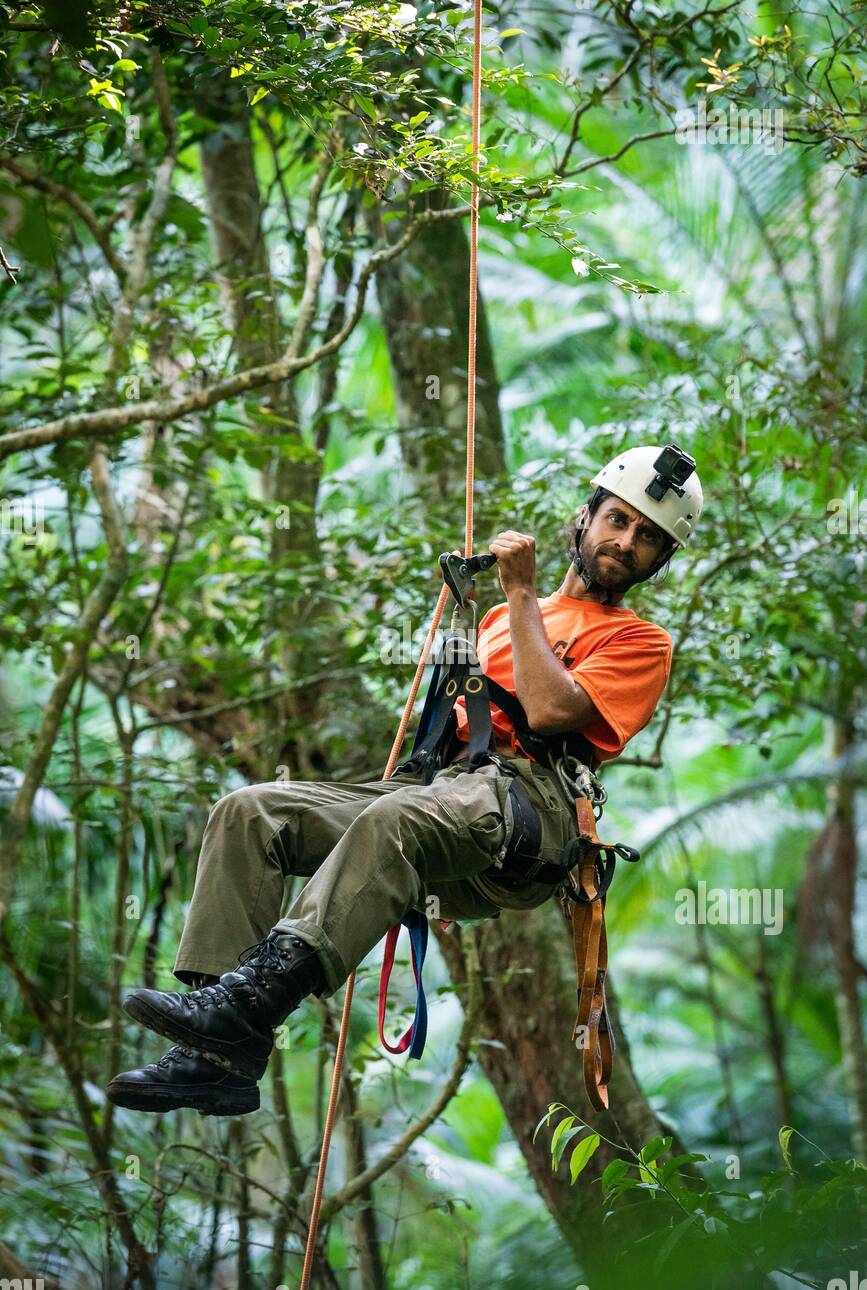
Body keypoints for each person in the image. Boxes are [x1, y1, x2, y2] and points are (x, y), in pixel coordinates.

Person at [108, 444, 703, 1115]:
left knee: (394, 821)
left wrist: (519, 593)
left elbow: (547, 710)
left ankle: (247, 1004)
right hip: (446, 789)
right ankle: (214, 1056)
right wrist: (504, 615)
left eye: (647, 537)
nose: (625, 543)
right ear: (584, 517)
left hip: (524, 812)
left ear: (660, 560)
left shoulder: (638, 642)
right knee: (252, 810)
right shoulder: (502, 621)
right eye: (617, 521)